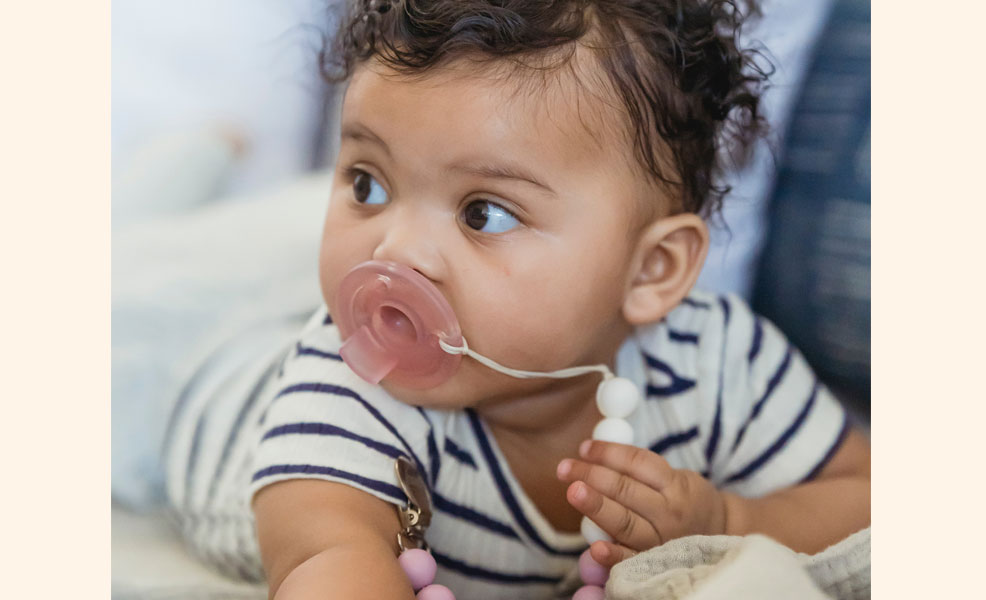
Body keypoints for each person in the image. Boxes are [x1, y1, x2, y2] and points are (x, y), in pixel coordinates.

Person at [164, 1, 870, 598]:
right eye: (366, 184)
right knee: (156, 299)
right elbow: (328, 560)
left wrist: (728, 519)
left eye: (484, 213)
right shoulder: (356, 378)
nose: (394, 250)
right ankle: (183, 175)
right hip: (223, 398)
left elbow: (868, 493)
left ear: (652, 269)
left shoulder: (718, 364)